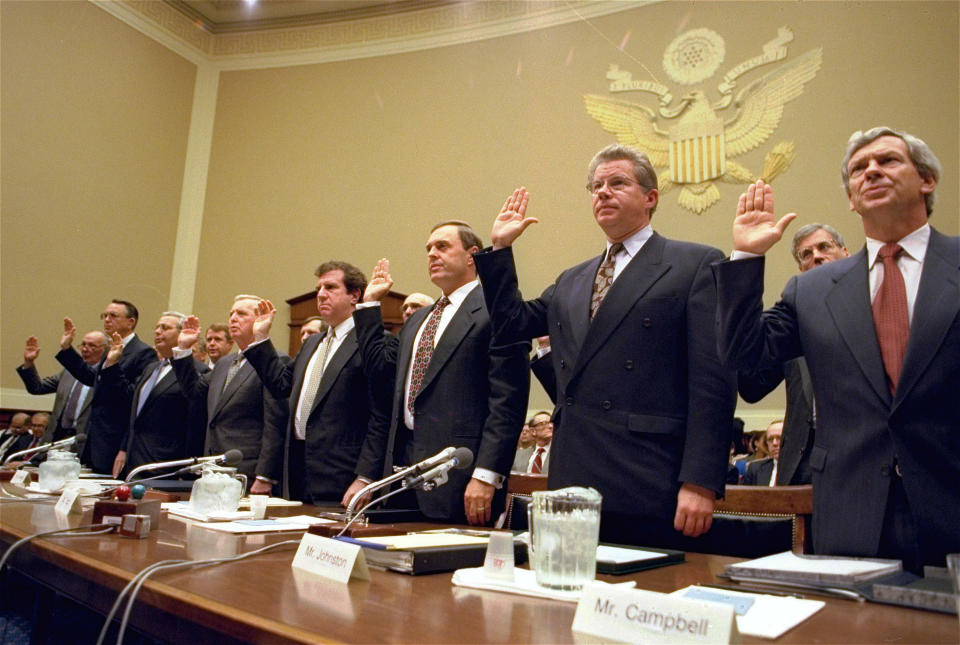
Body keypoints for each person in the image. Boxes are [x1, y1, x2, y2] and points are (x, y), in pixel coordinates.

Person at [714, 127, 959, 571]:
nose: (872, 172)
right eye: (859, 169)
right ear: (851, 199)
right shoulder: (812, 291)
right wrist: (746, 259)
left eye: (887, 161)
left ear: (927, 181)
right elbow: (743, 358)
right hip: (853, 513)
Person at [473, 144, 736, 548]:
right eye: (596, 186)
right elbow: (512, 324)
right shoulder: (573, 279)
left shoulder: (694, 264)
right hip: (573, 474)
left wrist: (701, 480)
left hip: (650, 476)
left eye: (617, 183)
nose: (603, 192)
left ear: (650, 198)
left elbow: (712, 382)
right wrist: (501, 250)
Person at [348, 225, 530, 526]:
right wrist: (369, 306)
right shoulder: (420, 319)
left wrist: (486, 475)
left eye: (442, 246)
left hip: (461, 477)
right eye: (428, 248)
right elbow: (381, 377)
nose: (432, 253)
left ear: (472, 256)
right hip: (401, 474)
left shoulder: (495, 311)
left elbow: (507, 401)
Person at [245, 261, 391, 504]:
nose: (321, 294)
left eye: (330, 287)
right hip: (298, 472)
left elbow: (381, 414)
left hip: (343, 475)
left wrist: (365, 477)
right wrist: (261, 338)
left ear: (355, 295)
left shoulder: (373, 343)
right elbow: (282, 385)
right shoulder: (313, 343)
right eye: (318, 288)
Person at [738, 223, 849, 485]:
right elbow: (753, 385)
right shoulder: (791, 322)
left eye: (824, 247)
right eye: (806, 254)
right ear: (801, 268)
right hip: (803, 460)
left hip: (858, 453)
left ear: (845, 253)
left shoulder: (870, 305)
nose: (816, 256)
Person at [171, 296, 288, 488]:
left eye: (241, 314)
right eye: (231, 313)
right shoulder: (224, 363)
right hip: (213, 465)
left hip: (247, 470)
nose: (233, 318)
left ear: (260, 320)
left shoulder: (274, 361)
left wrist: (265, 476)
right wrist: (183, 349)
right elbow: (194, 393)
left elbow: (275, 424)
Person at [99, 312, 209, 477]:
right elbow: (131, 403)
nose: (158, 332)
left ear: (182, 333)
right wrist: (112, 363)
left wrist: (186, 470)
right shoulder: (151, 368)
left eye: (165, 328)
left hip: (166, 462)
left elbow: (195, 422)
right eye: (157, 327)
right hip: (135, 458)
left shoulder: (197, 370)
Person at [56, 300, 156, 474]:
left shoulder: (144, 353)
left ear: (131, 322)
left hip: (116, 440)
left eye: (113, 316)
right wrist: (67, 349)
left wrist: (112, 365)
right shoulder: (112, 347)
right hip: (94, 438)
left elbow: (131, 397)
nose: (107, 320)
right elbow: (94, 380)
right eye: (105, 315)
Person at [17, 331, 107, 447]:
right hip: (58, 436)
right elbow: (37, 388)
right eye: (83, 345)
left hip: (86, 441)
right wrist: (29, 362)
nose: (85, 349)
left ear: (105, 349)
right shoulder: (68, 373)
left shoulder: (105, 376)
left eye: (92, 346)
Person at [742, 421, 783, 486]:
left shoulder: (802, 470)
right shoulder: (754, 469)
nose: (774, 443)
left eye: (779, 438)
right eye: (770, 439)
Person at [526, 410, 553, 475]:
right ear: (533, 431)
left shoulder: (561, 454)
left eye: (551, 423)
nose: (550, 426)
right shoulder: (519, 455)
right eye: (544, 423)